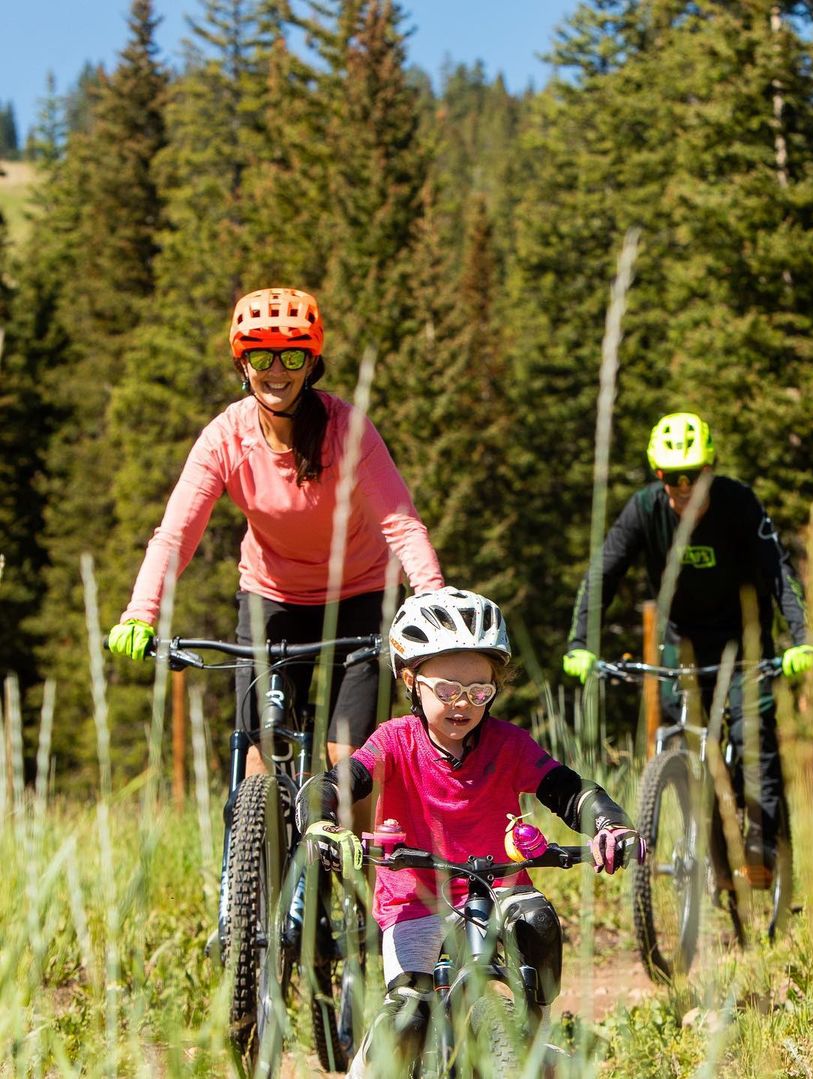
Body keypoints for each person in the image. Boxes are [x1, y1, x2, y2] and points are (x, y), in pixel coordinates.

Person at [298, 587, 645, 1076]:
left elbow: (568, 791)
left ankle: (528, 1041)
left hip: (500, 890)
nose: (463, 704)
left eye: (480, 691)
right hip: (415, 901)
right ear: (410, 680)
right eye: (447, 690)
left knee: (536, 921)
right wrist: (321, 821)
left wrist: (610, 823)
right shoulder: (395, 741)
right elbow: (341, 781)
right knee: (407, 1018)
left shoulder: (508, 744)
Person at [107, 286, 444, 768]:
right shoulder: (225, 437)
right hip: (272, 596)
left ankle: (353, 820)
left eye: (292, 356)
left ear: (312, 365)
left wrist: (433, 604)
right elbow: (176, 536)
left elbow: (402, 525)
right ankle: (255, 817)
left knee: (348, 757)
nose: (277, 371)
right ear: (243, 365)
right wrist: (141, 613)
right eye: (262, 357)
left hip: (362, 594)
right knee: (259, 753)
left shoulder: (347, 430)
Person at [562, 411, 813, 886]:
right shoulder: (644, 509)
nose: (683, 487)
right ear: (659, 476)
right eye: (672, 477)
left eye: (693, 475)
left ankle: (762, 849)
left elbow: (778, 570)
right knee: (684, 734)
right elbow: (604, 573)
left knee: (752, 736)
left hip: (745, 640)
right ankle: (710, 847)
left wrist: (803, 638)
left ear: (710, 469)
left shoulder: (739, 503)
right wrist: (581, 642)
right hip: (682, 640)